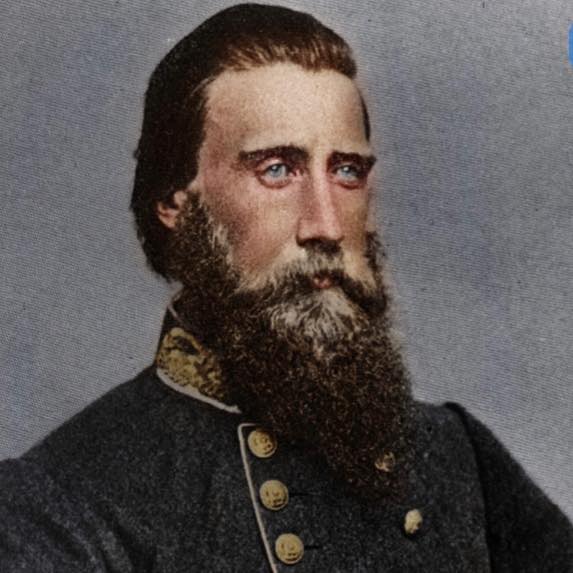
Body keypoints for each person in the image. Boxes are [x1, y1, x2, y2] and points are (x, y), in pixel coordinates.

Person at [1, 4, 571, 571]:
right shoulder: (59, 503)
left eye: (346, 171)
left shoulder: (457, 456)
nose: (325, 225)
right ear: (175, 203)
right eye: (277, 170)